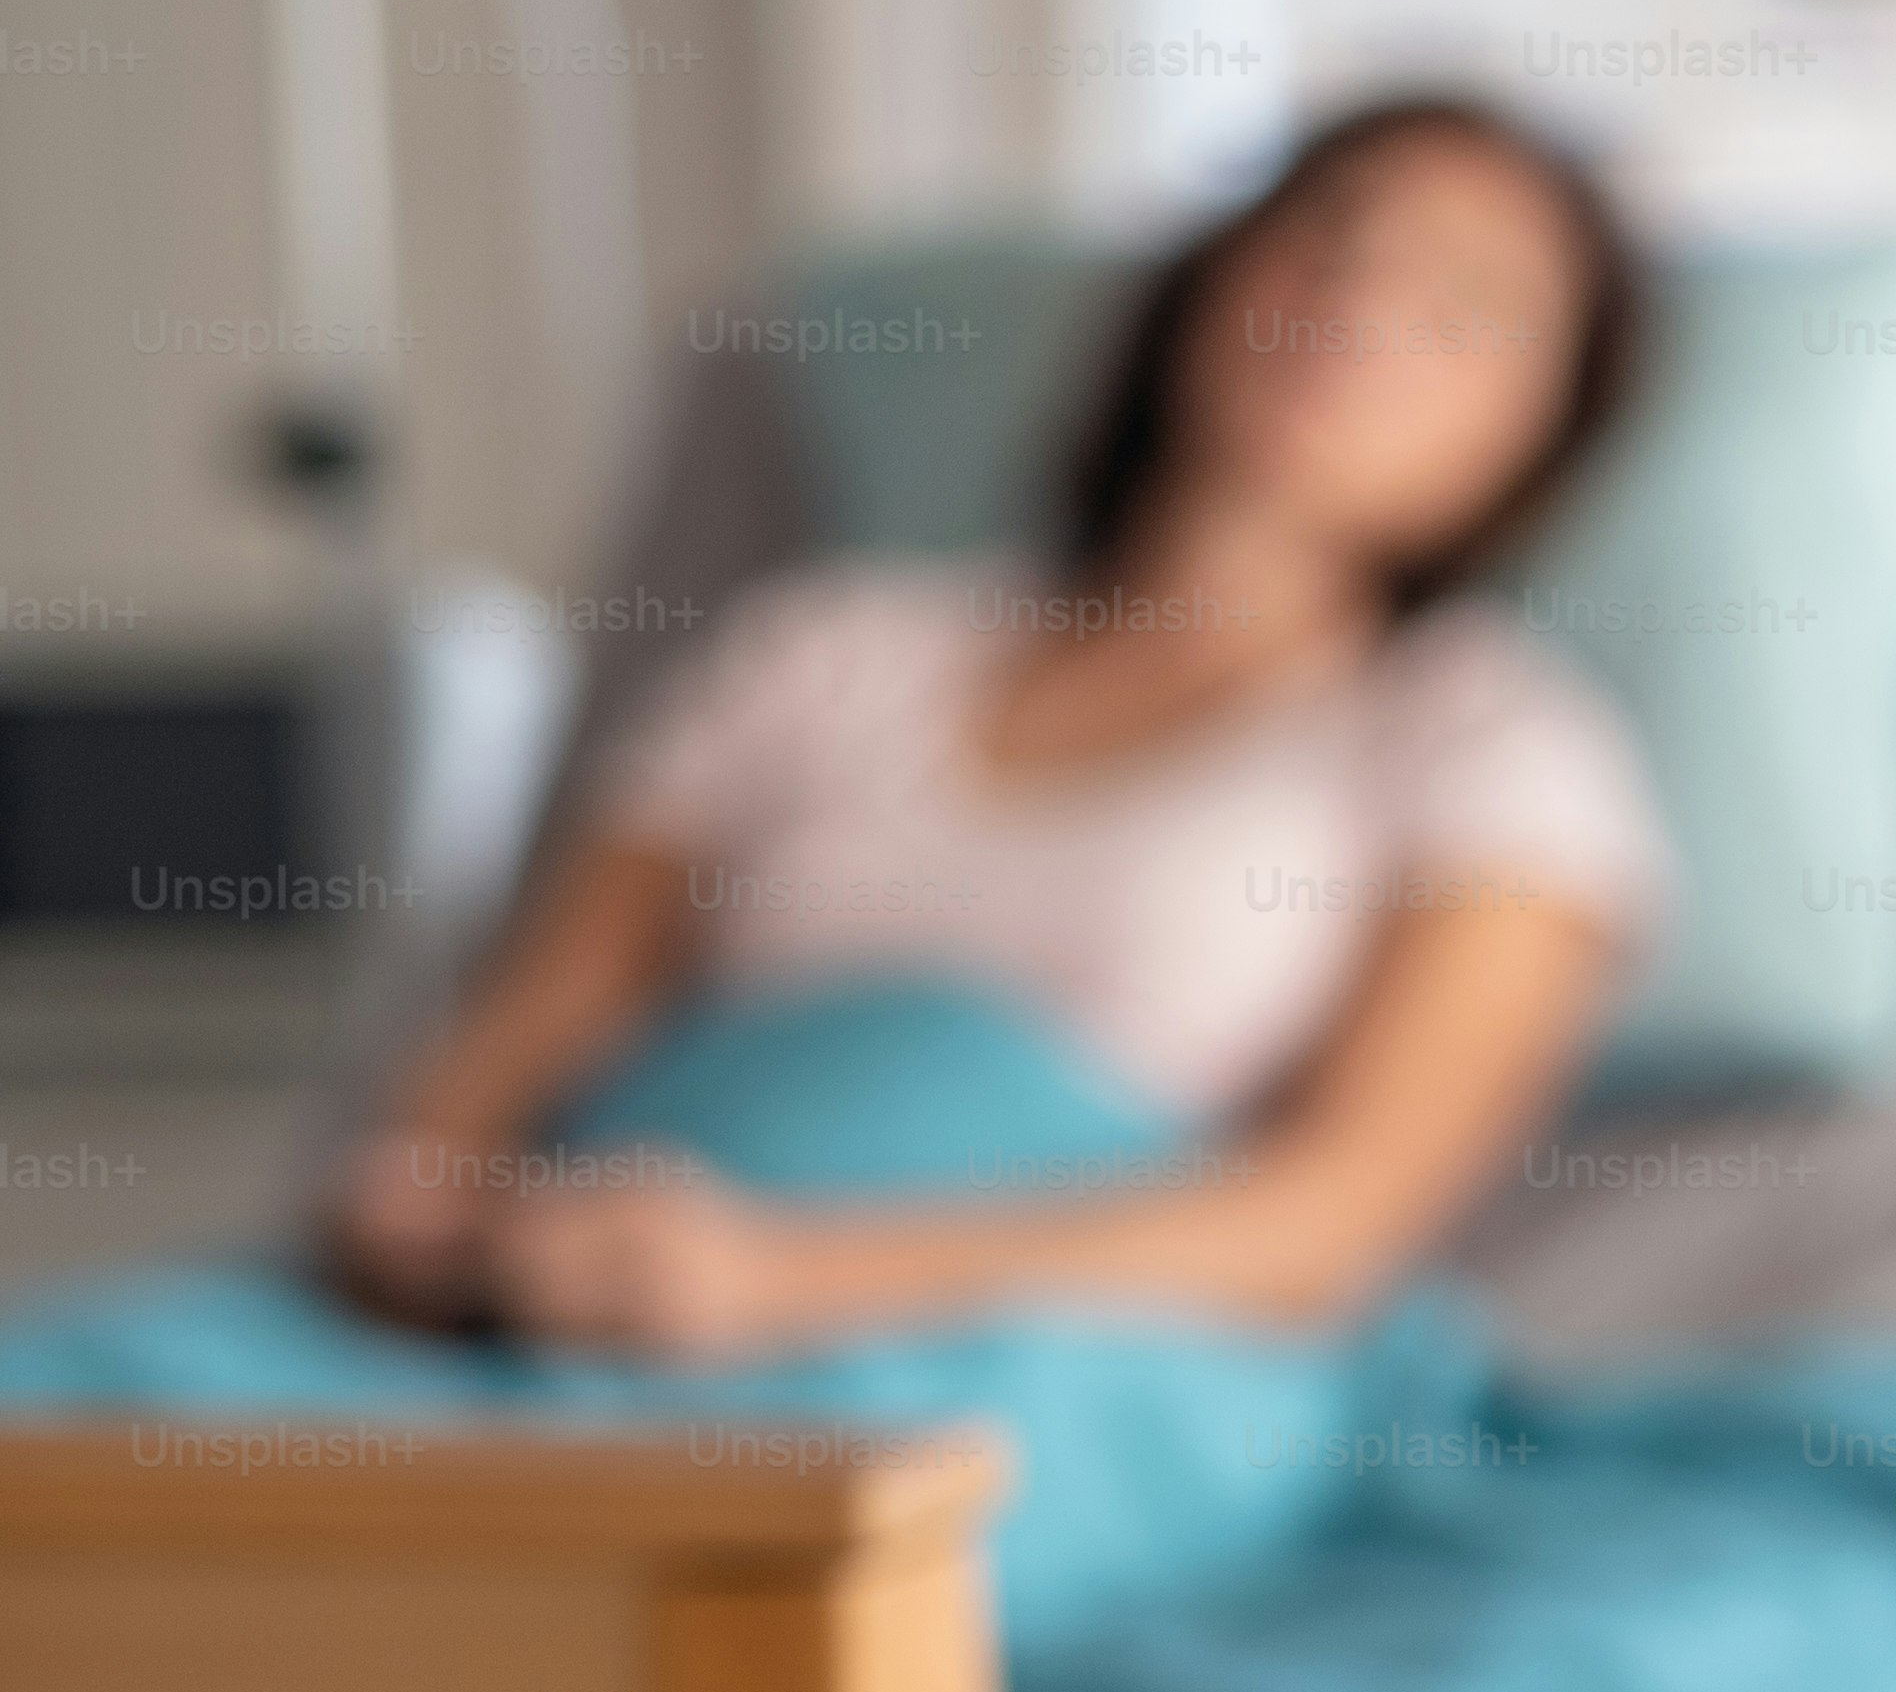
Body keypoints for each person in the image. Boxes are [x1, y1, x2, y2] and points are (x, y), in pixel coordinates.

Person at [329, 92, 1670, 1364]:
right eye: (1332, 235)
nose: (1362, 303)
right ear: (1212, 279)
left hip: (1066, 1363)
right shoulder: (829, 648)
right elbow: (539, 1016)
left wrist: (777, 1285)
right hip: (579, 1292)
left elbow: (1322, 1229)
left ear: (1539, 440)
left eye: (1472, 301)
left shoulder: (1491, 749)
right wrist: (427, 1204)